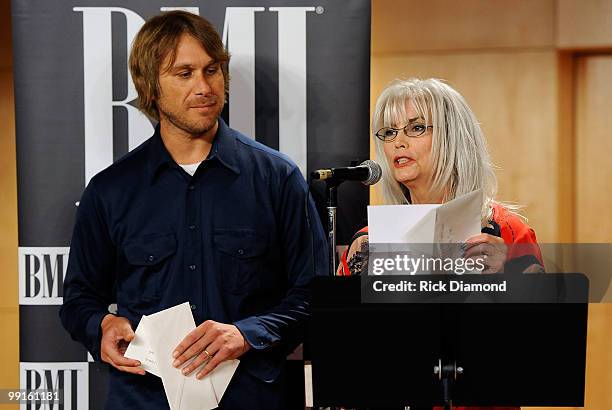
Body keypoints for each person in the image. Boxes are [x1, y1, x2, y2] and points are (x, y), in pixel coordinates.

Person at [60, 10, 327, 410]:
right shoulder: (109, 192)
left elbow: (314, 294)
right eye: (184, 73)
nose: (204, 86)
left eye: (212, 70)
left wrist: (247, 334)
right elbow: (79, 297)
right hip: (143, 399)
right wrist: (102, 324)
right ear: (150, 86)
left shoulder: (277, 178)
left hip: (253, 398)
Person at [338, 78, 543, 277]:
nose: (397, 142)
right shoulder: (368, 241)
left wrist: (506, 276)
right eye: (390, 132)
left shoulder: (508, 230)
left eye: (416, 127)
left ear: (453, 138)